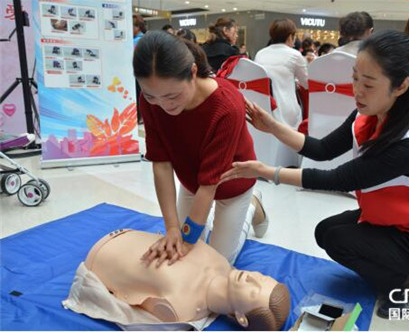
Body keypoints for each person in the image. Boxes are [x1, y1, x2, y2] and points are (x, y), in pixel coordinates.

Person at [220, 30, 409, 319]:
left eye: (369, 84)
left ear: (401, 86)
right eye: (355, 78)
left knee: (341, 240)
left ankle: (405, 285)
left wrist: (266, 171)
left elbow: (338, 179)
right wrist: (272, 126)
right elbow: (322, 149)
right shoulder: (370, 113)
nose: (357, 90)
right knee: (326, 232)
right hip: (398, 220)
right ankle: (392, 268)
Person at [133, 31, 267, 267]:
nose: (164, 106)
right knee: (185, 251)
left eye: (172, 96)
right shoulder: (150, 100)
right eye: (152, 96)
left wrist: (187, 239)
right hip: (191, 179)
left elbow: (210, 183)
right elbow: (161, 164)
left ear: (193, 73)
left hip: (231, 181)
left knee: (217, 263)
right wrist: (172, 229)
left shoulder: (226, 105)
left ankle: (253, 206)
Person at [84, 229, 290, 330]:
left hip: (100, 255)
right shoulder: (221, 263)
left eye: (253, 291)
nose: (251, 277)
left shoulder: (180, 308)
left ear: (241, 318)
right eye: (261, 277)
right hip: (125, 235)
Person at [255, 19, 308, 130]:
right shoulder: (295, 55)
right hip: (287, 109)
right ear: (290, 37)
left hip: (265, 107)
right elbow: (307, 84)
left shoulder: (260, 54)